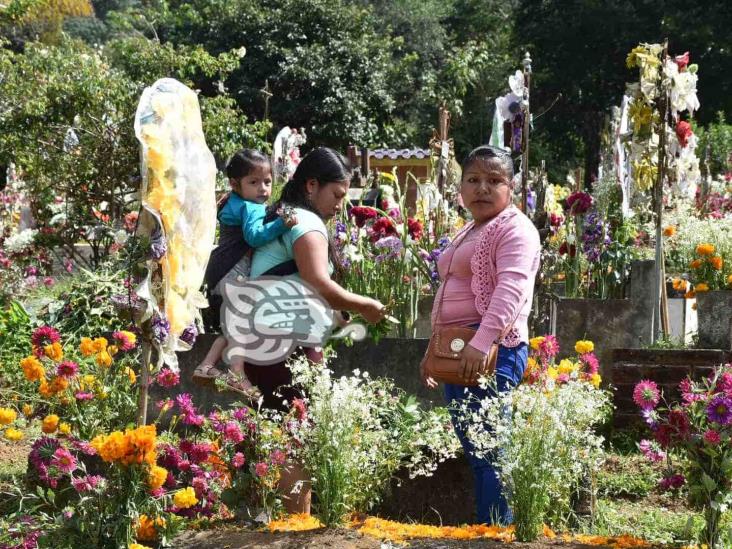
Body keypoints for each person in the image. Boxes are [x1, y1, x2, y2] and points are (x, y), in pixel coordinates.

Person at [247, 147, 386, 514]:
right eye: (337, 195)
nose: (341, 204)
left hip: (262, 334)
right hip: (284, 340)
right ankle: (293, 528)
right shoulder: (305, 223)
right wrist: (365, 307)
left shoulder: (282, 215)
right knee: (295, 432)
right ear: (311, 185)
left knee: (277, 431)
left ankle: (276, 521)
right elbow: (317, 283)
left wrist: (336, 318)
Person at [420, 145, 541, 525]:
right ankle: (489, 526)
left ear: (511, 188)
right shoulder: (471, 228)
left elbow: (511, 290)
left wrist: (482, 341)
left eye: (494, 181)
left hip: (490, 347)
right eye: (473, 180)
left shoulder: (514, 228)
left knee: (490, 446)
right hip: (459, 346)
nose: (482, 189)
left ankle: (497, 530)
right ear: (460, 187)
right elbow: (448, 295)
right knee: (476, 446)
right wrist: (431, 351)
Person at [194, 149, 297, 398]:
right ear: (234, 183)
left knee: (234, 325)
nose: (262, 188)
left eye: (267, 181)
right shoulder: (251, 207)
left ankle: (207, 365)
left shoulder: (233, 200)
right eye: (254, 182)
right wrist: (282, 223)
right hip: (234, 270)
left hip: (221, 270)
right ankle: (236, 374)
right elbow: (254, 236)